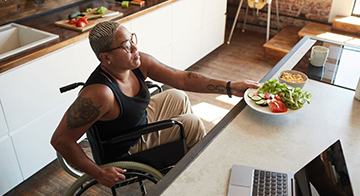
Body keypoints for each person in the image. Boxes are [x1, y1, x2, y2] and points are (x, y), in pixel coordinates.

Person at [51, 21, 260, 188]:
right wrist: (98, 173)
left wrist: (230, 87)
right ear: (106, 57)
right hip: (125, 146)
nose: (135, 47)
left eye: (132, 39)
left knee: (177, 95)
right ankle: (197, 178)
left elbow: (182, 78)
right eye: (125, 46)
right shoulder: (100, 94)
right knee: (191, 123)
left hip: (133, 121)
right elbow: (60, 140)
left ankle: (182, 160)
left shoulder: (138, 63)